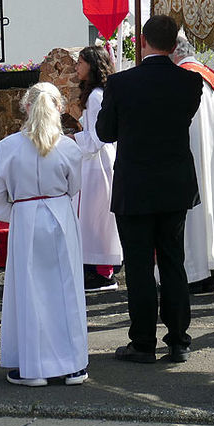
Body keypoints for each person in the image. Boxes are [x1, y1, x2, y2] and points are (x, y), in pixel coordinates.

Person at [96, 14, 202, 364]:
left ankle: (142, 342)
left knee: (140, 266)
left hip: (136, 185)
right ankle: (178, 341)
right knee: (173, 262)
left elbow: (105, 132)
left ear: (142, 42)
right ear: (174, 46)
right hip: (173, 184)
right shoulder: (189, 83)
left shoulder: (122, 83)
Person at [0, 83, 88, 386]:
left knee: (30, 292)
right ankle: (73, 366)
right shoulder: (69, 146)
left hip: (26, 217)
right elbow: (74, 187)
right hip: (59, 214)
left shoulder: (8, 146)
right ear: (58, 108)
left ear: (26, 107)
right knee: (66, 288)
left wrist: (18, 215)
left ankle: (34, 367)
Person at [171, 32, 214, 294]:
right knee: (212, 210)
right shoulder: (211, 76)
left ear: (174, 51)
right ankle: (212, 267)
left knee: (193, 216)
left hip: (189, 156)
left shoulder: (181, 76)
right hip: (211, 157)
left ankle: (194, 272)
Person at [72, 45, 122, 292]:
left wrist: (71, 140)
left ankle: (102, 272)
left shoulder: (95, 97)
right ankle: (99, 268)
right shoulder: (99, 93)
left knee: (96, 217)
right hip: (98, 161)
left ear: (91, 65)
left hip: (97, 163)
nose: (76, 66)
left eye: (80, 62)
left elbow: (95, 138)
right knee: (95, 216)